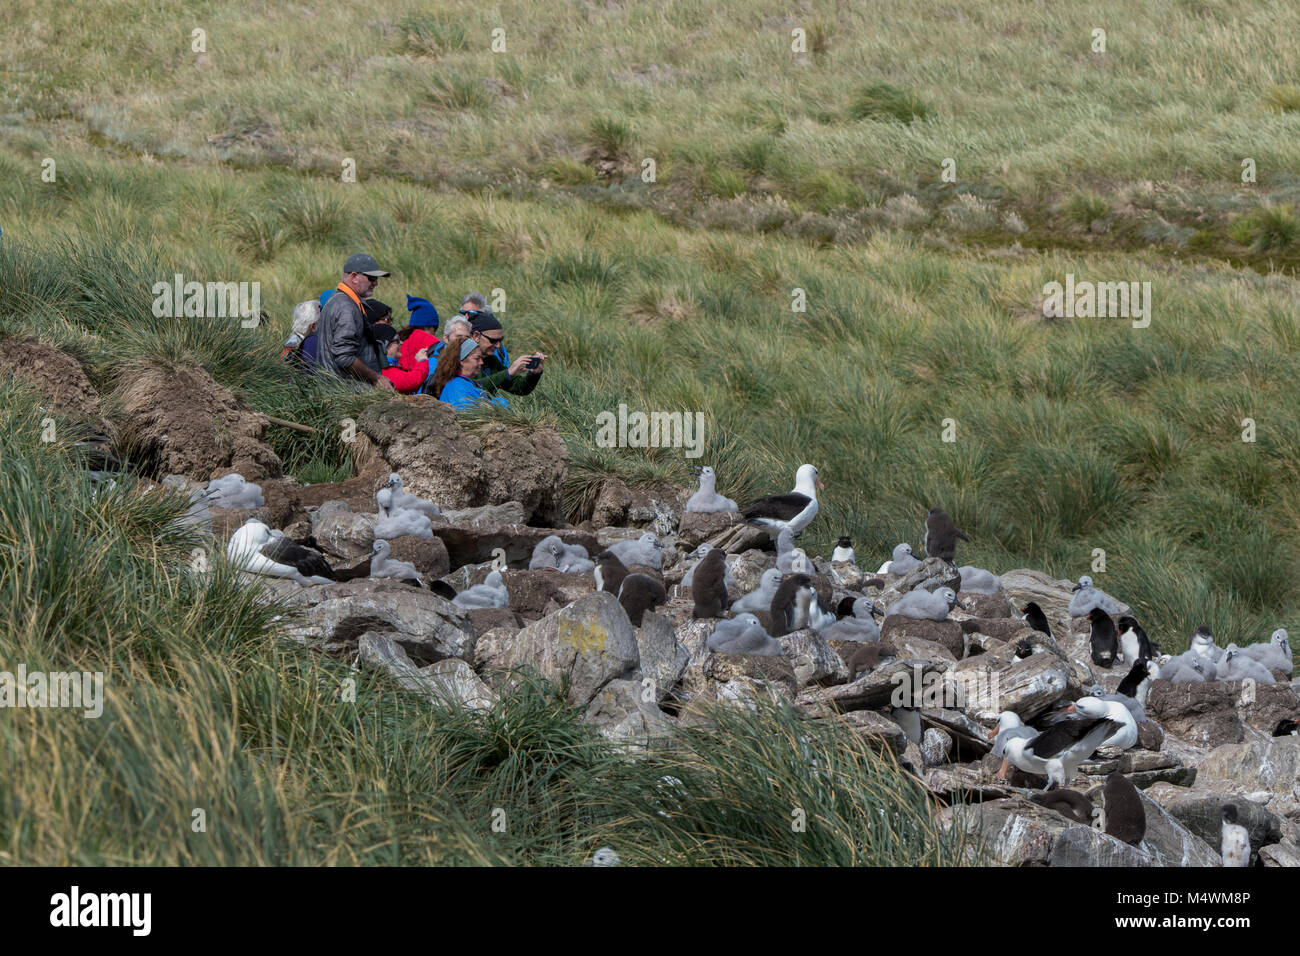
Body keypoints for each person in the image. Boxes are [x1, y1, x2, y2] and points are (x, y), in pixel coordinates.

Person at [314, 252, 394, 389]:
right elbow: (344, 357)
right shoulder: (347, 307)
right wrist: (377, 379)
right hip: (344, 391)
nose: (376, 283)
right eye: (372, 278)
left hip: (333, 389)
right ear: (354, 277)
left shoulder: (336, 300)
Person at [468, 311, 546, 397]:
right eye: (493, 340)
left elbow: (520, 389)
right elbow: (470, 388)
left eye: (500, 340)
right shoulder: (459, 359)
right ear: (476, 336)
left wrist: (534, 374)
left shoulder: (491, 360)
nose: (498, 346)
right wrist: (507, 373)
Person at [433, 339, 508, 410]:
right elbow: (469, 418)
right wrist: (500, 404)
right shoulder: (457, 388)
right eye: (477, 358)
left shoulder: (465, 384)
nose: (481, 362)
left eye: (481, 358)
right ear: (461, 361)